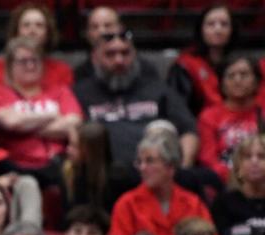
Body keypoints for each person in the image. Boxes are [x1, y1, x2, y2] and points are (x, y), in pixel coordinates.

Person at [72, 28, 199, 171]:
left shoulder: (158, 89)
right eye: (110, 54)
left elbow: (188, 131)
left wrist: (182, 169)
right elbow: (72, 137)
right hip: (101, 178)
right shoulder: (80, 93)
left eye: (125, 53)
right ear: (95, 57)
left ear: (135, 55)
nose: (119, 60)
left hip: (153, 175)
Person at [108, 130, 220, 235]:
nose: (143, 168)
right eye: (139, 162)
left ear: (170, 167)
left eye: (150, 161)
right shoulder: (127, 204)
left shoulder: (193, 204)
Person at [0, 37, 82, 177]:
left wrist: (24, 128)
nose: (30, 66)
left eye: (35, 60)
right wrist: (52, 115)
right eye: (23, 61)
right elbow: (11, 122)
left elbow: (74, 122)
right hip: (16, 168)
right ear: (10, 66)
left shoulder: (59, 91)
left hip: (58, 165)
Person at [168, 5, 244, 117]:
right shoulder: (185, 65)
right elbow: (177, 109)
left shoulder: (242, 63)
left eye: (224, 24)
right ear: (201, 30)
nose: (218, 30)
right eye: (211, 24)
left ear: (232, 30)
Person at [197, 55, 262, 183]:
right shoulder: (209, 116)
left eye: (244, 74)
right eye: (231, 76)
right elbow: (208, 160)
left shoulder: (263, 114)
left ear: (256, 82)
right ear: (222, 84)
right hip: (223, 184)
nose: (237, 80)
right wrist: (239, 177)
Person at [0, 3, 73, 93]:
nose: (32, 30)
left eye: (39, 25)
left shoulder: (62, 71)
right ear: (16, 32)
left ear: (48, 34)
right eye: (26, 25)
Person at [211, 134, 265, 235]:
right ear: (238, 167)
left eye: (261, 156)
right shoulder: (224, 202)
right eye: (247, 157)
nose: (254, 162)